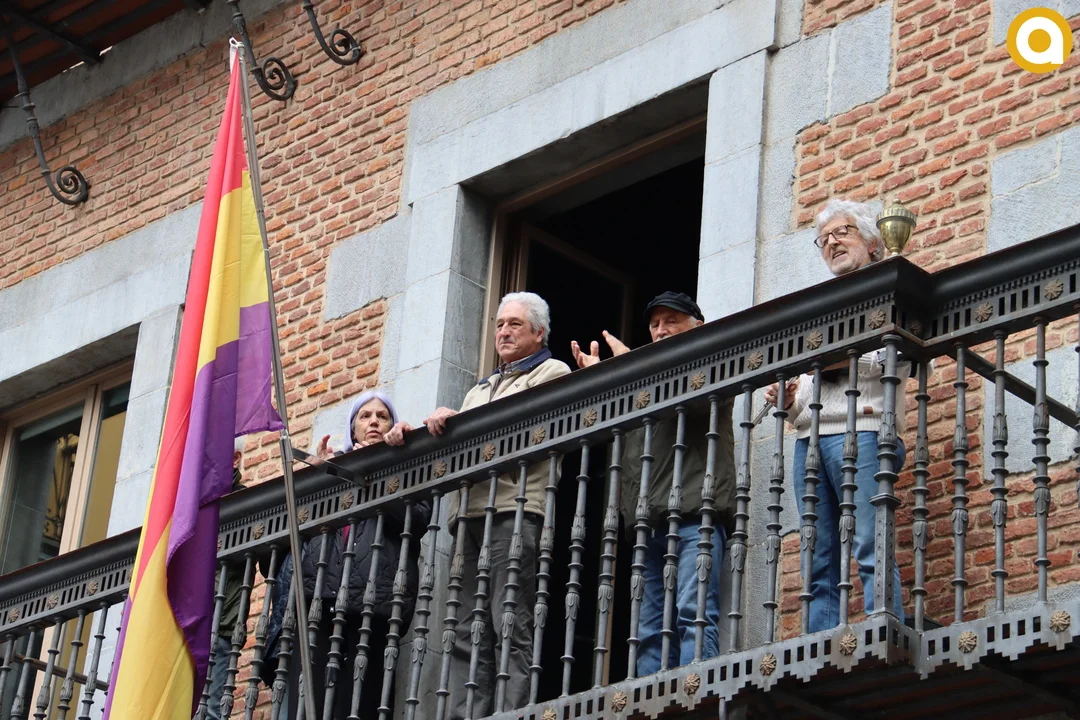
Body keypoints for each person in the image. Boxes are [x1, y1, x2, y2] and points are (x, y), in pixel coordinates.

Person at [388, 292, 570, 719]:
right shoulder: (480, 389)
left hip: (514, 509)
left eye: (515, 324)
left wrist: (461, 422)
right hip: (467, 515)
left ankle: (510, 713)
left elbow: (524, 426)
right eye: (499, 323)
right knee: (466, 628)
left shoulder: (552, 372)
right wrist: (423, 429)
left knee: (510, 621)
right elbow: (457, 443)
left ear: (539, 333)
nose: (503, 331)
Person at [571, 292, 736, 675]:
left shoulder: (713, 361)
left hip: (696, 516)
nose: (661, 330)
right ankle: (651, 700)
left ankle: (697, 694)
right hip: (648, 525)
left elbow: (695, 399)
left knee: (694, 614)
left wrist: (632, 366)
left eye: (671, 321)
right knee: (647, 631)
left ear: (698, 326)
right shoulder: (640, 382)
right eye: (655, 324)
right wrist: (602, 380)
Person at [765, 198, 910, 633]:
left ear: (872, 242)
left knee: (869, 542)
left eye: (842, 232)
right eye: (824, 239)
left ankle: (884, 627)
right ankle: (820, 645)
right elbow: (810, 391)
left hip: (864, 430)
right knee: (818, 556)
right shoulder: (823, 306)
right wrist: (790, 400)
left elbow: (898, 359)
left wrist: (836, 359)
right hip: (809, 440)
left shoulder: (891, 290)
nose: (832, 242)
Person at [259, 390, 427, 719]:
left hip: (375, 602)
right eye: (365, 416)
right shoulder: (332, 468)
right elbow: (297, 530)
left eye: (382, 416)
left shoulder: (403, 465)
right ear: (353, 428)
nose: (374, 422)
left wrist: (375, 474)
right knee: (310, 701)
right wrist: (318, 477)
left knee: (362, 700)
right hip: (321, 598)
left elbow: (418, 518)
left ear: (392, 425)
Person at [204, 438, 247, 720]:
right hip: (188, 623)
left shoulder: (244, 501)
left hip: (222, 623)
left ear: (235, 459)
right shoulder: (190, 501)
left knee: (211, 711)